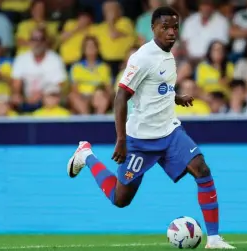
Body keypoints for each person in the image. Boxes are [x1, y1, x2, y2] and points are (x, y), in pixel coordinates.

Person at [67, 6, 235, 249]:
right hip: (140, 140)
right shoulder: (142, 57)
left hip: (169, 132)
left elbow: (157, 88)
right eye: (165, 27)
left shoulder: (168, 55)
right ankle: (86, 155)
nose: (171, 32)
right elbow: (120, 97)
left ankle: (214, 239)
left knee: (201, 169)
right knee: (120, 199)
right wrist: (121, 140)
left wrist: (175, 98)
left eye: (174, 27)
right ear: (153, 28)